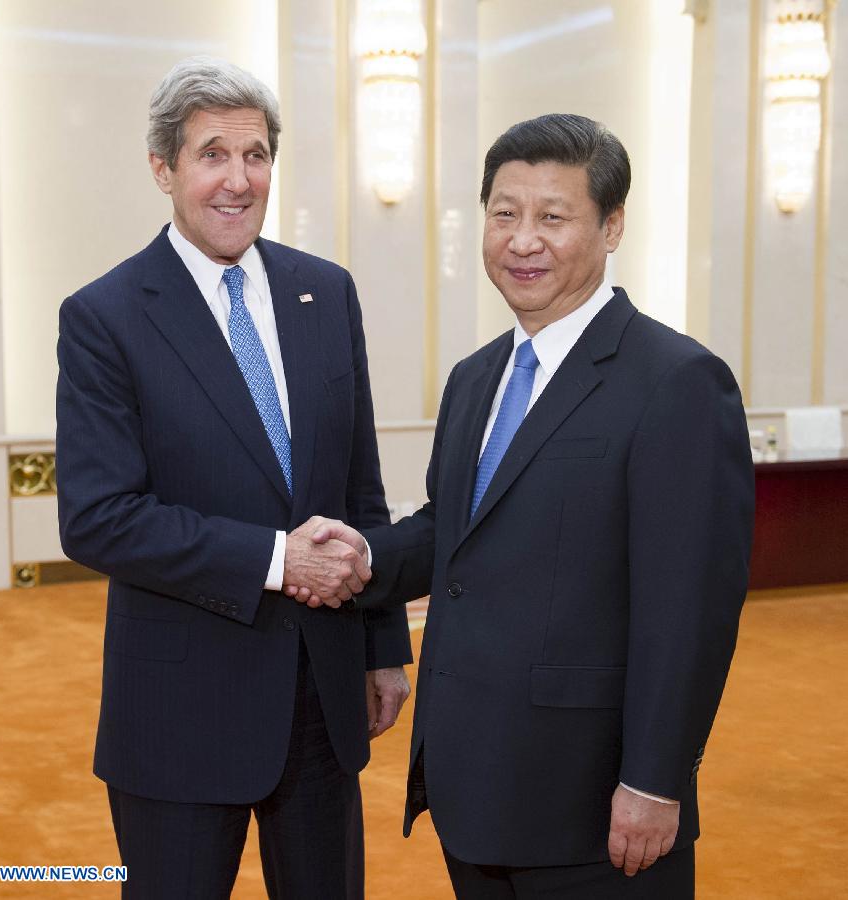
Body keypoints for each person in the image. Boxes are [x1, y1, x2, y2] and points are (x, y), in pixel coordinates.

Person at [296, 114, 754, 898]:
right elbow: (455, 532)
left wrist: (654, 781)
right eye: (503, 213)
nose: (521, 240)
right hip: (473, 784)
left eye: (552, 216)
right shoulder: (477, 378)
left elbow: (689, 610)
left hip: (594, 805)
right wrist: (365, 557)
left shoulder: (675, 381)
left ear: (611, 226)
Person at [55, 56, 411, 900]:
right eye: (212, 154)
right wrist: (278, 559)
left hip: (322, 703)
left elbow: (360, 487)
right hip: (179, 714)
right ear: (163, 169)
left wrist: (383, 648)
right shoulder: (105, 317)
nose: (237, 180)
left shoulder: (326, 293)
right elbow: (100, 518)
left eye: (255, 156)